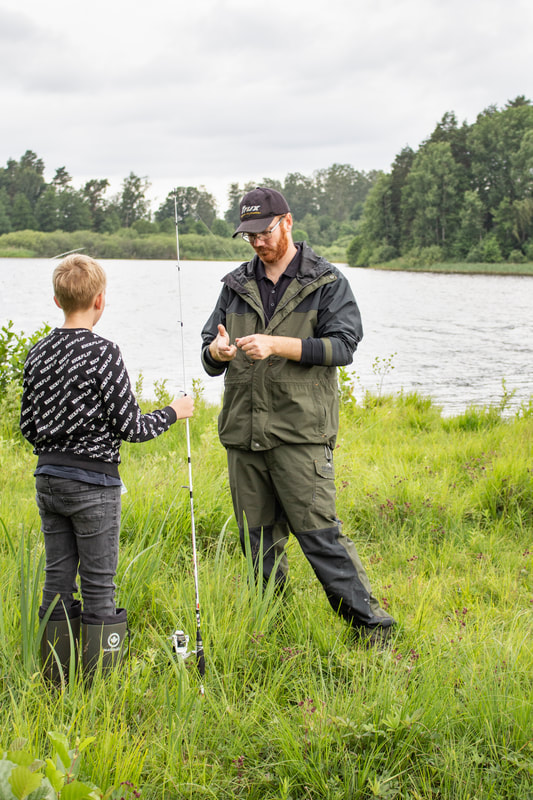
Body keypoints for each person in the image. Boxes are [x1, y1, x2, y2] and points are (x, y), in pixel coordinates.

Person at [201, 187, 395, 646]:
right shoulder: (234, 284)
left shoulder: (327, 281)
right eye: (248, 235)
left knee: (321, 537)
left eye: (263, 232)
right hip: (244, 434)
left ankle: (374, 632)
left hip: (300, 434)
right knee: (258, 544)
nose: (256, 243)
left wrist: (276, 344)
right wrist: (218, 350)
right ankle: (273, 634)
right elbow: (210, 354)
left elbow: (343, 347)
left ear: (286, 222)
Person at [20, 254, 194, 683]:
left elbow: (27, 425)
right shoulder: (104, 352)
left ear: (56, 299)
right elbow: (131, 427)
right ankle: (100, 686)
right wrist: (174, 411)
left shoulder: (38, 351)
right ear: (100, 300)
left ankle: (55, 679)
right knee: (99, 583)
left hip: (48, 480)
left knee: (57, 578)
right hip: (94, 485)